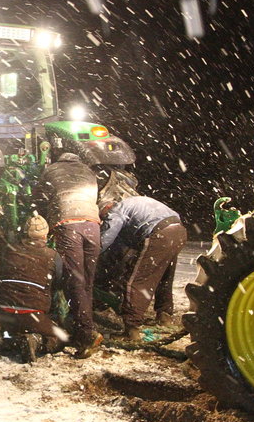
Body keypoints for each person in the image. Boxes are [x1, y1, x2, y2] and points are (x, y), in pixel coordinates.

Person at [35, 152, 103, 359]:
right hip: (93, 224)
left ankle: (86, 333)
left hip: (67, 224)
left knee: (74, 281)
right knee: (87, 281)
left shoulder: (52, 170)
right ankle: (84, 325)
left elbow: (40, 196)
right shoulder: (89, 171)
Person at [99, 195, 188, 341]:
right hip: (178, 231)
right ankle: (164, 316)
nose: (105, 219)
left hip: (159, 234)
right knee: (164, 276)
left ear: (107, 207)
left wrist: (91, 254)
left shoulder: (116, 210)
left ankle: (131, 329)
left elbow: (107, 238)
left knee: (137, 281)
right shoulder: (136, 201)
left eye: (103, 216)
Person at [0, 215, 67, 363]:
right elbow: (60, 283)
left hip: (5, 313)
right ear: (45, 234)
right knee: (62, 337)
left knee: (11, 333)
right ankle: (35, 340)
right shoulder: (52, 255)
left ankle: (13, 339)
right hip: (32, 314)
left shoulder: (9, 251)